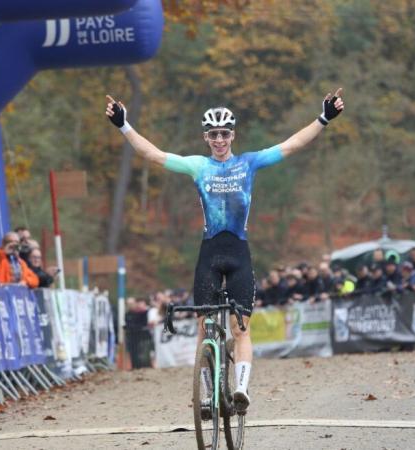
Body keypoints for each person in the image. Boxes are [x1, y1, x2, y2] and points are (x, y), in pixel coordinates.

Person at [106, 88, 344, 412]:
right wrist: (123, 125)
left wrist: (324, 118)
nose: (219, 139)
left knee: (240, 328)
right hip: (209, 255)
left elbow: (292, 144)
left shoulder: (249, 163)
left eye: (224, 134)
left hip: (239, 254)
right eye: (213, 134)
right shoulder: (197, 166)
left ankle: (241, 390)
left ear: (233, 135)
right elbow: (154, 155)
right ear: (206, 138)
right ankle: (206, 395)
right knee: (203, 328)